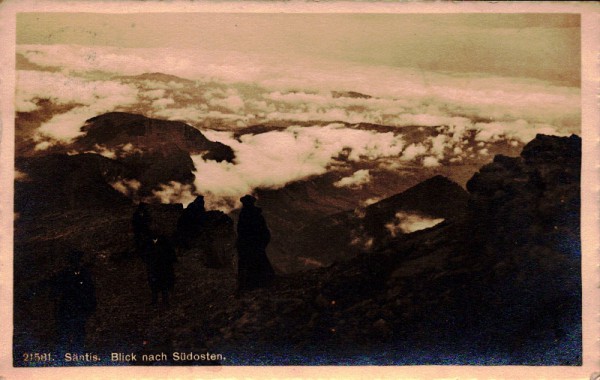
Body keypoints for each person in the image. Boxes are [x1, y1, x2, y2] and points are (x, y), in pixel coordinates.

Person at [51, 250, 97, 351]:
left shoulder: (84, 273)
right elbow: (56, 288)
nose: (76, 263)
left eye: (77, 260)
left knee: (78, 333)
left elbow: (90, 290)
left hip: (78, 307)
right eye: (73, 261)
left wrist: (91, 305)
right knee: (65, 333)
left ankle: (76, 353)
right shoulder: (65, 274)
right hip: (68, 307)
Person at [235, 195, 274, 297]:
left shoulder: (244, 215)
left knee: (247, 264)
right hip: (255, 244)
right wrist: (262, 243)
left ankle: (249, 286)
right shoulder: (257, 215)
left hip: (248, 245)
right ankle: (263, 283)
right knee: (258, 262)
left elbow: (241, 231)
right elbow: (264, 231)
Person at [142, 234, 177, 306]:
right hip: (154, 266)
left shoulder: (164, 241)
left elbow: (170, 253)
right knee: (154, 284)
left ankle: (165, 301)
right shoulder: (148, 242)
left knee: (164, 284)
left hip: (163, 266)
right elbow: (145, 254)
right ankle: (155, 300)